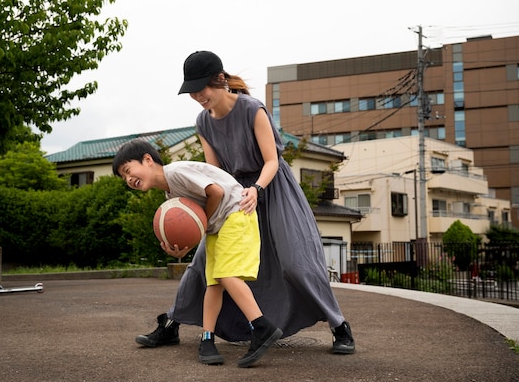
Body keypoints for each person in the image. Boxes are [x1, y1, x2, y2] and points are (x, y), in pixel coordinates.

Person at [136, 50, 355, 354]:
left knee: (296, 261)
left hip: (273, 189)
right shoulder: (203, 122)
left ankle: (339, 326)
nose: (198, 96)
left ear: (221, 80)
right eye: (193, 91)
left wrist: (257, 189)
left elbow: (271, 161)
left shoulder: (253, 109)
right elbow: (214, 174)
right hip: (233, 195)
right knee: (204, 263)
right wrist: (195, 222)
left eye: (203, 88)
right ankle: (172, 325)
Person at [112, 139, 282, 367]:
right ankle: (207, 339)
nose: (128, 179)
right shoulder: (170, 197)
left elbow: (217, 192)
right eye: (124, 178)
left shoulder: (176, 172)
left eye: (127, 170)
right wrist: (181, 248)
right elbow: (195, 223)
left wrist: (201, 225)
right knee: (213, 283)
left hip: (236, 213)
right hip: (218, 225)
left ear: (147, 160)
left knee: (226, 275)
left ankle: (262, 327)